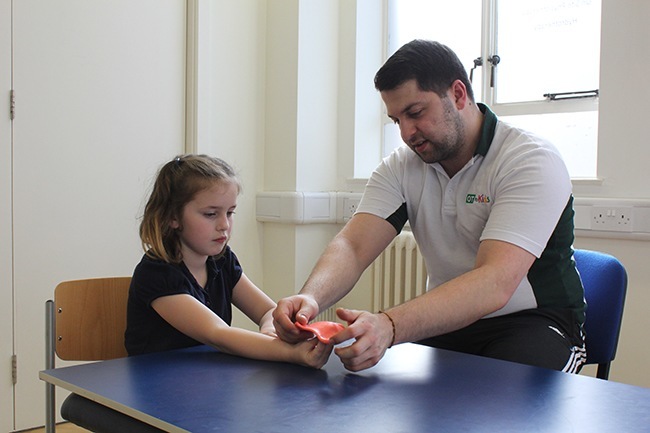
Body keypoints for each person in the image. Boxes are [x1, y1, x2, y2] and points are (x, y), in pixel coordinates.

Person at [273, 40, 586, 373]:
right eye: (396, 120)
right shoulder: (402, 166)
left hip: (535, 322)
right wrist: (311, 298)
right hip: (450, 323)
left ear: (458, 94)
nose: (407, 132)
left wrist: (389, 325)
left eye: (416, 113)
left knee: (500, 415)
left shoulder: (529, 160)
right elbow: (353, 245)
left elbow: (494, 282)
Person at [125, 154, 332, 369]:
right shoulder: (157, 273)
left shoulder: (221, 260)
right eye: (211, 214)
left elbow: (268, 311)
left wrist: (272, 331)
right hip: (157, 388)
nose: (224, 224)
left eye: (230, 212)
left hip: (208, 383)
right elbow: (218, 334)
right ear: (173, 217)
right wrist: (290, 353)